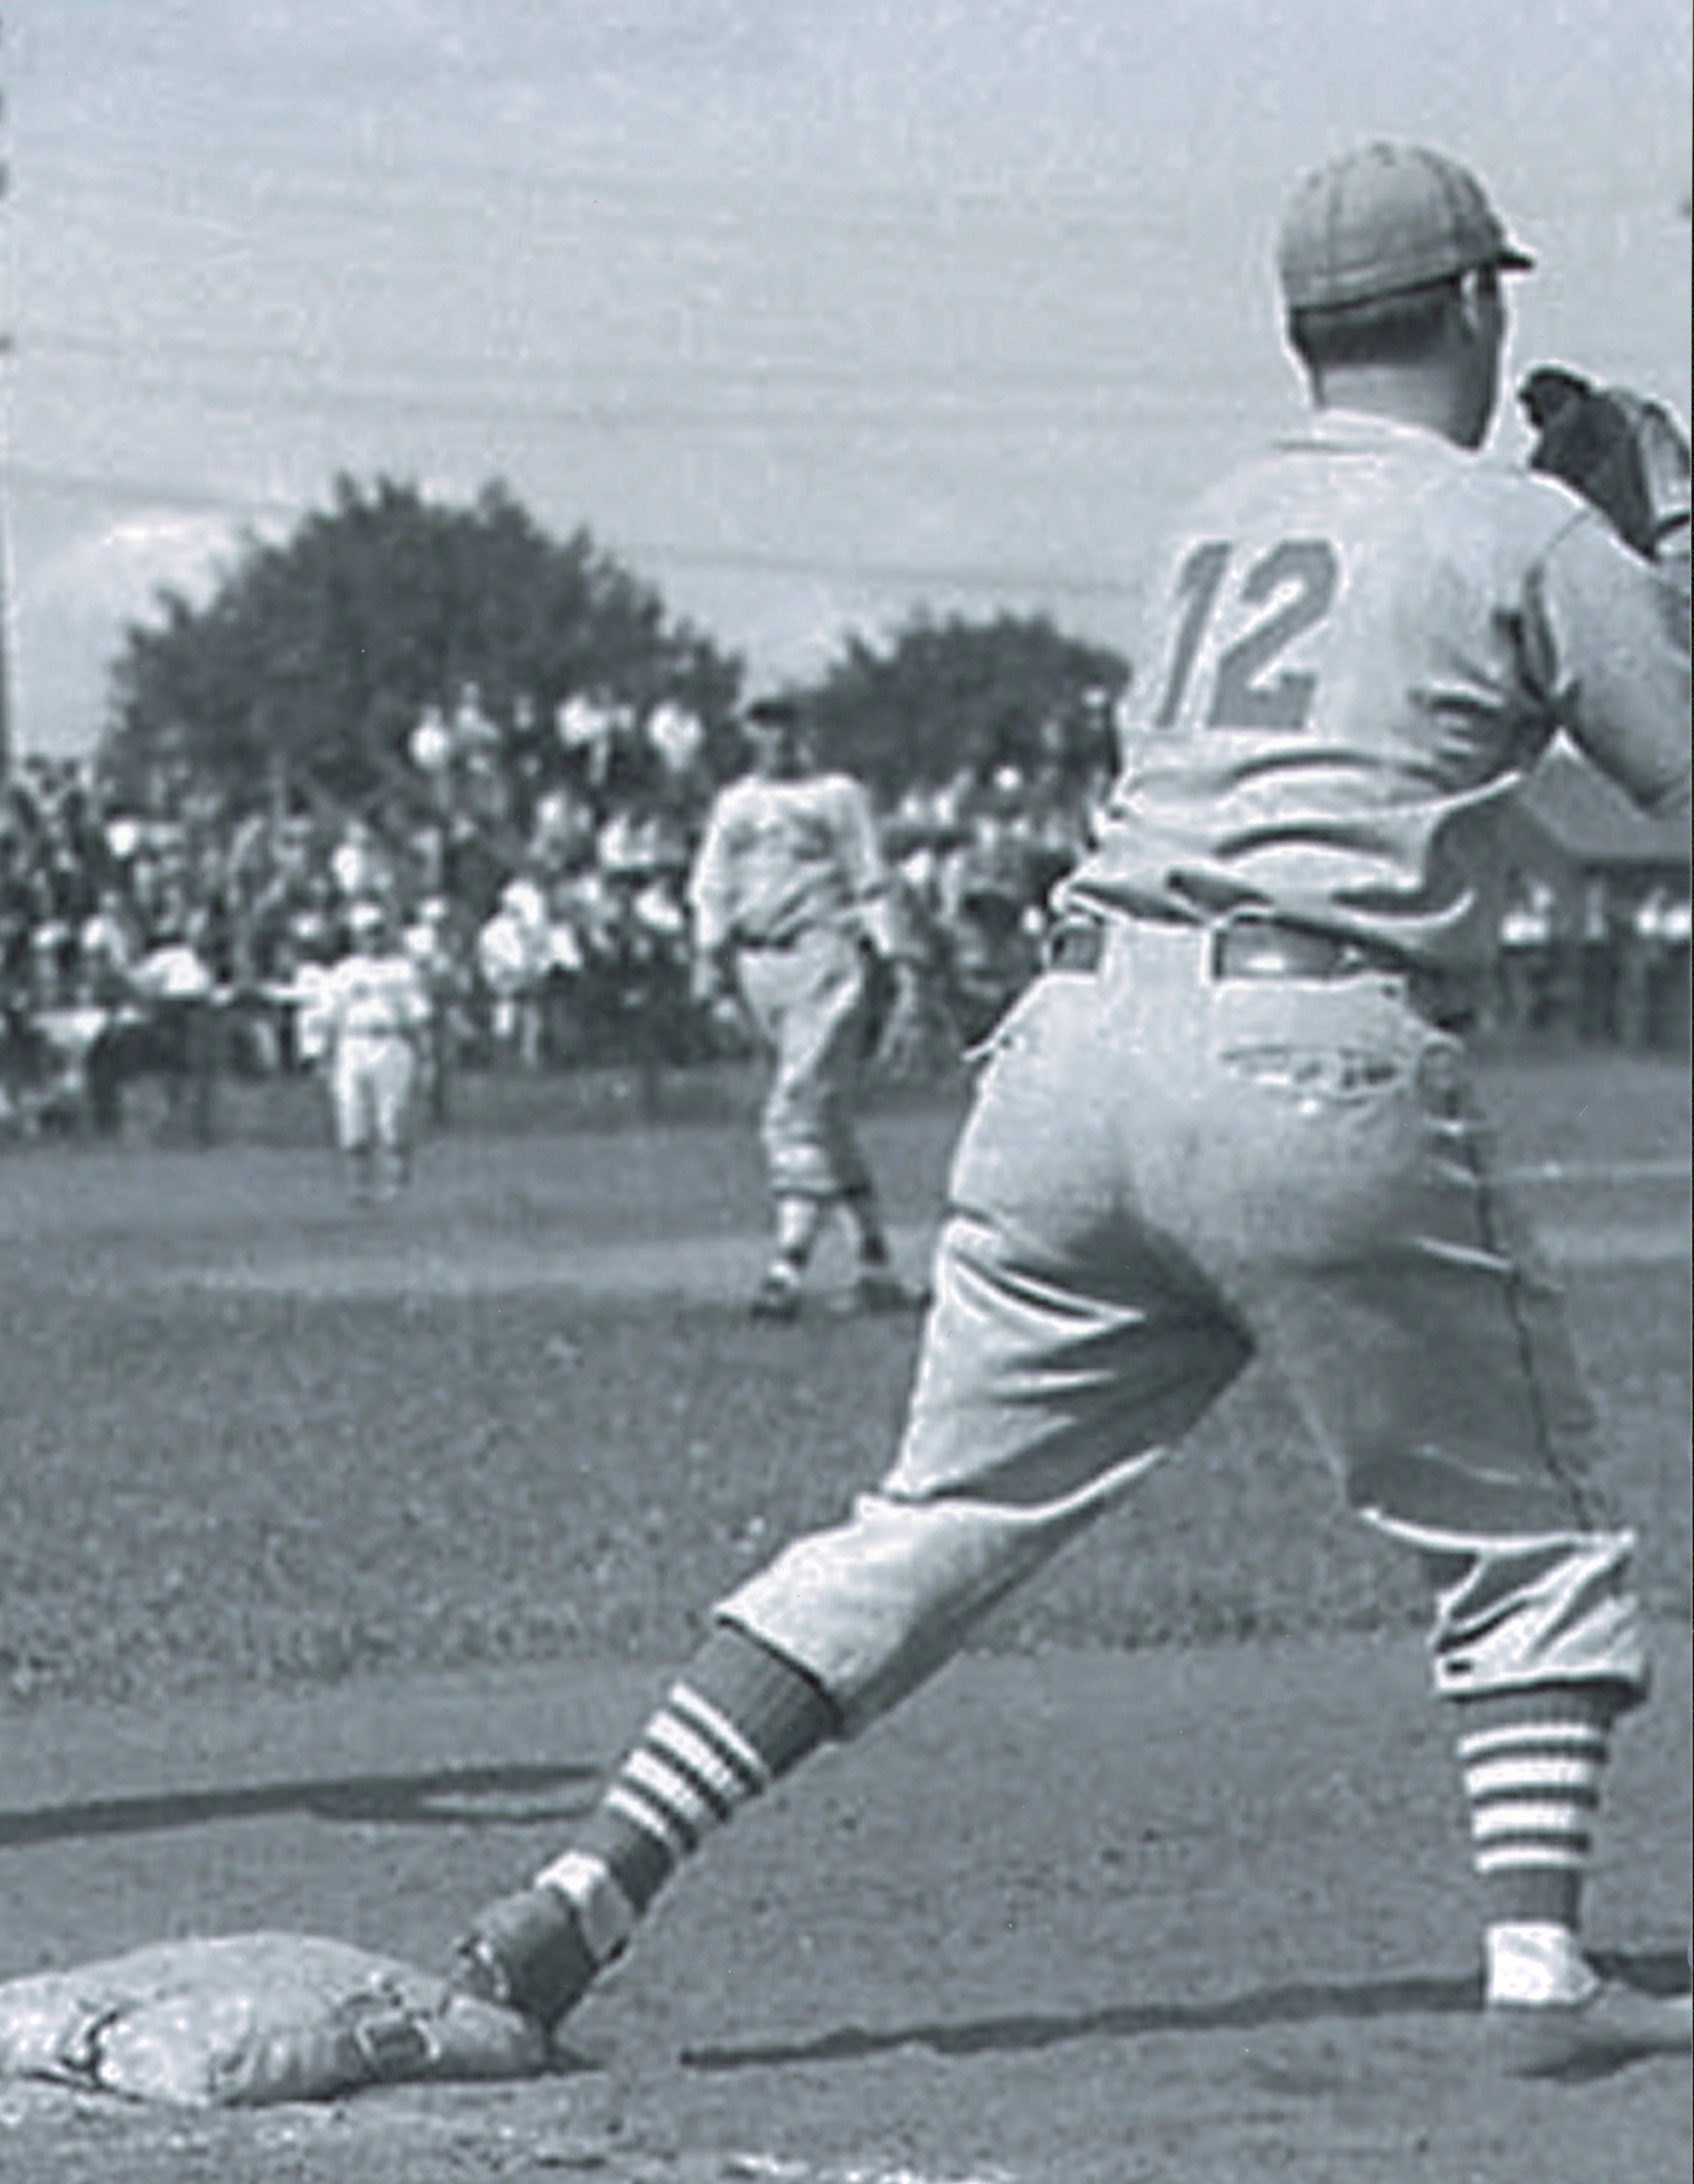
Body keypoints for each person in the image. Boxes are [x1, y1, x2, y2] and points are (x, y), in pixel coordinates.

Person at [454, 142, 1691, 2080]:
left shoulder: (1202, 522)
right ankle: (1538, 1962)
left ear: (1302, 327)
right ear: (1474, 306)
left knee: (927, 1518)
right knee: (1518, 1528)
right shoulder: (1532, 533)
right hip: (1308, 1050)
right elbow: (1664, 775)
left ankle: (583, 1883)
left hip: (1066, 1054)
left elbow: (1372, 680)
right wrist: (1656, 554)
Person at [685, 695, 926, 1320]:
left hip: (825, 954)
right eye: (763, 721)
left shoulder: (836, 795)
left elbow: (870, 881)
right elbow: (711, 886)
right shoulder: (734, 803)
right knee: (825, 1118)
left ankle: (784, 1271)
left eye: (785, 720)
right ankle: (874, 1265)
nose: (776, 734)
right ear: (745, 730)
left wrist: (901, 965)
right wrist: (708, 961)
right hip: (756, 962)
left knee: (794, 1109)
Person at [298, 896, 433, 1203]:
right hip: (353, 1043)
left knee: (392, 1116)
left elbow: (418, 1015)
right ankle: (358, 1185)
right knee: (352, 1114)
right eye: (366, 933)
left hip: (391, 1041)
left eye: (377, 931)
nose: (372, 939)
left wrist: (426, 1055)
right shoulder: (343, 973)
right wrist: (321, 1055)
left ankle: (395, 1184)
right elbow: (327, 1017)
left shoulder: (402, 971)